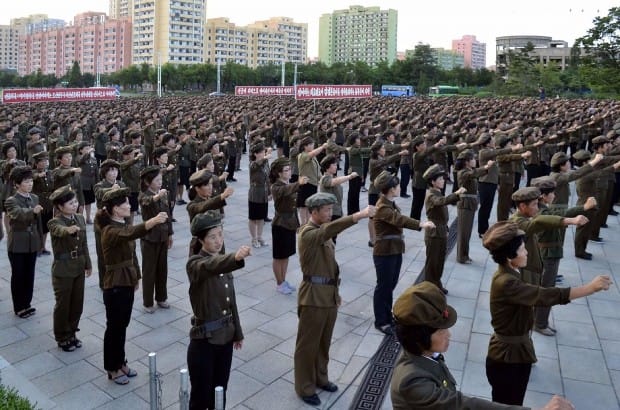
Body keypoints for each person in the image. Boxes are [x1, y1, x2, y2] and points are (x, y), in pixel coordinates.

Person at [390, 281, 576, 410]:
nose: (448, 335)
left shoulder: (426, 356)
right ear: (419, 337)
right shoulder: (411, 381)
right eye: (440, 331)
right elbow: (462, 405)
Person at [482, 220, 611, 406]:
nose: (526, 252)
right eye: (522, 249)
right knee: (509, 404)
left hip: (512, 353)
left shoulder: (510, 274)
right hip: (508, 358)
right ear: (510, 257)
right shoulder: (507, 282)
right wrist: (589, 288)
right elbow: (545, 296)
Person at [294, 192, 375, 406]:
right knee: (307, 345)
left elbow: (331, 266)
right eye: (327, 210)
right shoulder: (308, 233)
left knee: (324, 342)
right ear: (313, 212)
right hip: (313, 297)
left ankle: (320, 378)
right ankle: (304, 386)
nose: (330, 213)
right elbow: (329, 230)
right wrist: (358, 215)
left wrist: (335, 293)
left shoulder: (322, 232)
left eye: (331, 209)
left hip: (327, 295)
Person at [96, 187, 168, 385]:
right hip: (115, 284)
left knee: (122, 325)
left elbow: (131, 254)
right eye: (125, 204)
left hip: (126, 281)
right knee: (114, 328)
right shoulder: (110, 230)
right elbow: (131, 233)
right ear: (114, 209)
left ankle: (120, 362)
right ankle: (112, 368)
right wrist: (152, 221)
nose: (129, 205)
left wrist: (136, 276)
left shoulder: (121, 223)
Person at [186, 211, 251, 410]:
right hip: (205, 341)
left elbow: (232, 303)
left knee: (220, 391)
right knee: (200, 397)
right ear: (201, 240)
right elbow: (210, 265)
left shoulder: (221, 261)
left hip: (225, 338)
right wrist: (234, 257)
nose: (218, 241)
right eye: (212, 237)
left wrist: (237, 332)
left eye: (220, 235)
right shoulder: (195, 264)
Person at [531, 176, 596, 335]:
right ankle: (539, 323)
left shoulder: (542, 207)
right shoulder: (541, 210)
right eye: (552, 193)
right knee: (547, 289)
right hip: (547, 254)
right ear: (544, 196)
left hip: (548, 253)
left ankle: (538, 320)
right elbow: (559, 214)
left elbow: (557, 210)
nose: (554, 195)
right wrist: (583, 208)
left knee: (544, 287)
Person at [372, 170, 434, 335]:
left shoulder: (391, 204)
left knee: (390, 285)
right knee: (384, 287)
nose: (400, 187)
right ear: (391, 189)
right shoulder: (382, 208)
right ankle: (381, 321)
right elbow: (400, 220)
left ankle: (387, 315)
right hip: (384, 252)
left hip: (394, 250)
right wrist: (421, 224)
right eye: (398, 185)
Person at [48, 185, 92, 351]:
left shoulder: (80, 218)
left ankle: (72, 332)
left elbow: (85, 244)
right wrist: (68, 230)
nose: (74, 205)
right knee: (63, 304)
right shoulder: (54, 222)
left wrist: (88, 264)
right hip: (63, 269)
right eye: (70, 203)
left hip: (78, 265)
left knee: (77, 303)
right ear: (60, 207)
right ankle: (62, 336)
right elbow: (58, 230)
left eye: (75, 202)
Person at [5, 166, 43, 318]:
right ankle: (19, 306)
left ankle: (27, 304)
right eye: (26, 181)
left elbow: (38, 223)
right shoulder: (11, 201)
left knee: (30, 274)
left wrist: (40, 241)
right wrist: (32, 211)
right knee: (18, 275)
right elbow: (17, 214)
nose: (30, 184)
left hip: (32, 241)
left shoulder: (34, 198)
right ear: (17, 184)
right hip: (18, 243)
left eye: (31, 181)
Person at [422, 164, 466, 294]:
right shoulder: (431, 195)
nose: (443, 181)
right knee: (432, 263)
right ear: (432, 181)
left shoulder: (437, 192)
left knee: (440, 261)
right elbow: (442, 201)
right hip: (434, 233)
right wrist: (456, 194)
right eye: (440, 179)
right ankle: (428, 289)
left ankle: (436, 283)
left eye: (442, 178)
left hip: (440, 231)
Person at [270, 157, 308, 295]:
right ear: (279, 173)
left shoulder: (288, 183)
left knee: (286, 255)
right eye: (286, 170)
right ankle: (279, 283)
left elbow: (293, 208)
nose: (289, 171)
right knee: (278, 256)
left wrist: (297, 224)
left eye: (290, 169)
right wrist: (298, 183)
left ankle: (283, 280)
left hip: (290, 224)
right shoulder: (276, 186)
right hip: (280, 224)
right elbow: (285, 190)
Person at [138, 166, 174, 314]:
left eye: (161, 179)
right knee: (149, 271)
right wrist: (156, 197)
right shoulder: (144, 195)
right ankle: (147, 302)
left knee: (162, 269)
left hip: (162, 236)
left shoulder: (163, 194)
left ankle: (161, 297)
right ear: (148, 182)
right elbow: (147, 202)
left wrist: (170, 234)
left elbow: (168, 216)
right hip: (149, 238)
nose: (160, 182)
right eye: (157, 180)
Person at [455, 150, 493, 264]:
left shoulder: (469, 170)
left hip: (469, 203)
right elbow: (474, 174)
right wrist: (486, 166)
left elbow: (475, 172)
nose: (474, 161)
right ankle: (461, 256)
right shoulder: (463, 172)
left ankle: (464, 254)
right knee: (464, 232)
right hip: (465, 204)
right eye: (472, 159)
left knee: (467, 231)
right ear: (467, 162)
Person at [318, 154, 356, 243]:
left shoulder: (333, 177)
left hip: (336, 212)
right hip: (329, 213)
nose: (336, 166)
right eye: (334, 165)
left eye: (336, 164)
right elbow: (333, 182)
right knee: (329, 240)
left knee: (333, 239)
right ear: (327, 167)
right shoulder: (325, 179)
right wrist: (349, 176)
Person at [296, 136, 327, 225]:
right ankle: (303, 224)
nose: (312, 146)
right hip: (305, 183)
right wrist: (322, 147)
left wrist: (322, 178)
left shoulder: (312, 156)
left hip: (313, 183)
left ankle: (309, 223)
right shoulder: (302, 155)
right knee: (303, 206)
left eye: (312, 144)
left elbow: (317, 169)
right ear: (305, 146)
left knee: (310, 205)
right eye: (310, 144)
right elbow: (312, 154)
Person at [248, 142, 272, 248]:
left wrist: (270, 192)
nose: (263, 154)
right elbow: (258, 164)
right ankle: (253, 239)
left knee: (262, 217)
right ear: (256, 154)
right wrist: (266, 157)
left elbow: (268, 178)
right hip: (255, 193)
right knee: (253, 217)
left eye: (264, 152)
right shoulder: (253, 164)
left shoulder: (265, 163)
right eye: (261, 152)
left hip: (264, 192)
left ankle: (260, 236)